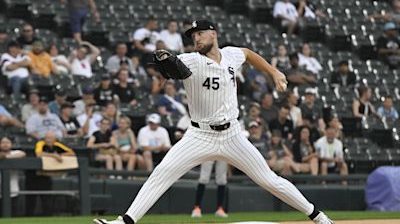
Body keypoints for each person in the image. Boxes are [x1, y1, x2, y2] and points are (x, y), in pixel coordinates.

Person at [94, 19, 333, 224]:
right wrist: (166, 61)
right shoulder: (192, 60)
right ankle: (124, 221)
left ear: (213, 34)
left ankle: (318, 216)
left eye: (200, 33)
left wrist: (274, 72)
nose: (196, 38)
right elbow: (175, 67)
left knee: (269, 180)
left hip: (232, 135)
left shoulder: (230, 55)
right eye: (193, 35)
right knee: (163, 172)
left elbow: (248, 53)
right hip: (200, 135)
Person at [0, 136, 26, 216]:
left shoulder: (15, 152)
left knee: (13, 213)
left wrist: (6, 157)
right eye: (3, 143)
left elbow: (23, 154)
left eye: (7, 143)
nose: (5, 145)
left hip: (13, 190)